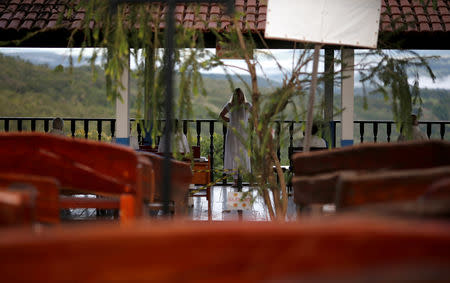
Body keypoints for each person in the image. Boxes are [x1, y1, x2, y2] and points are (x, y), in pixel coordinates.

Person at [220, 88, 252, 187]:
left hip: (243, 134)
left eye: (239, 94)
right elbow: (221, 115)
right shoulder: (229, 105)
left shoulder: (247, 105)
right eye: (236, 94)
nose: (238, 96)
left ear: (242, 95)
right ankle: (235, 180)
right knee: (234, 155)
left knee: (242, 154)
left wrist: (247, 121)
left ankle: (241, 178)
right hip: (232, 134)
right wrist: (230, 120)